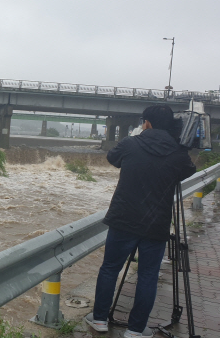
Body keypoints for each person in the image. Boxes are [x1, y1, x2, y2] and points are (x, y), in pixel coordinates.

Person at [85, 104, 196, 337]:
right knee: (148, 275)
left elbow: (112, 158)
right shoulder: (178, 152)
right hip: (156, 223)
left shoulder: (130, 143)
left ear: (146, 123)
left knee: (109, 269)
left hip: (123, 219)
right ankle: (135, 330)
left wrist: (135, 138)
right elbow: (188, 170)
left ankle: (100, 320)